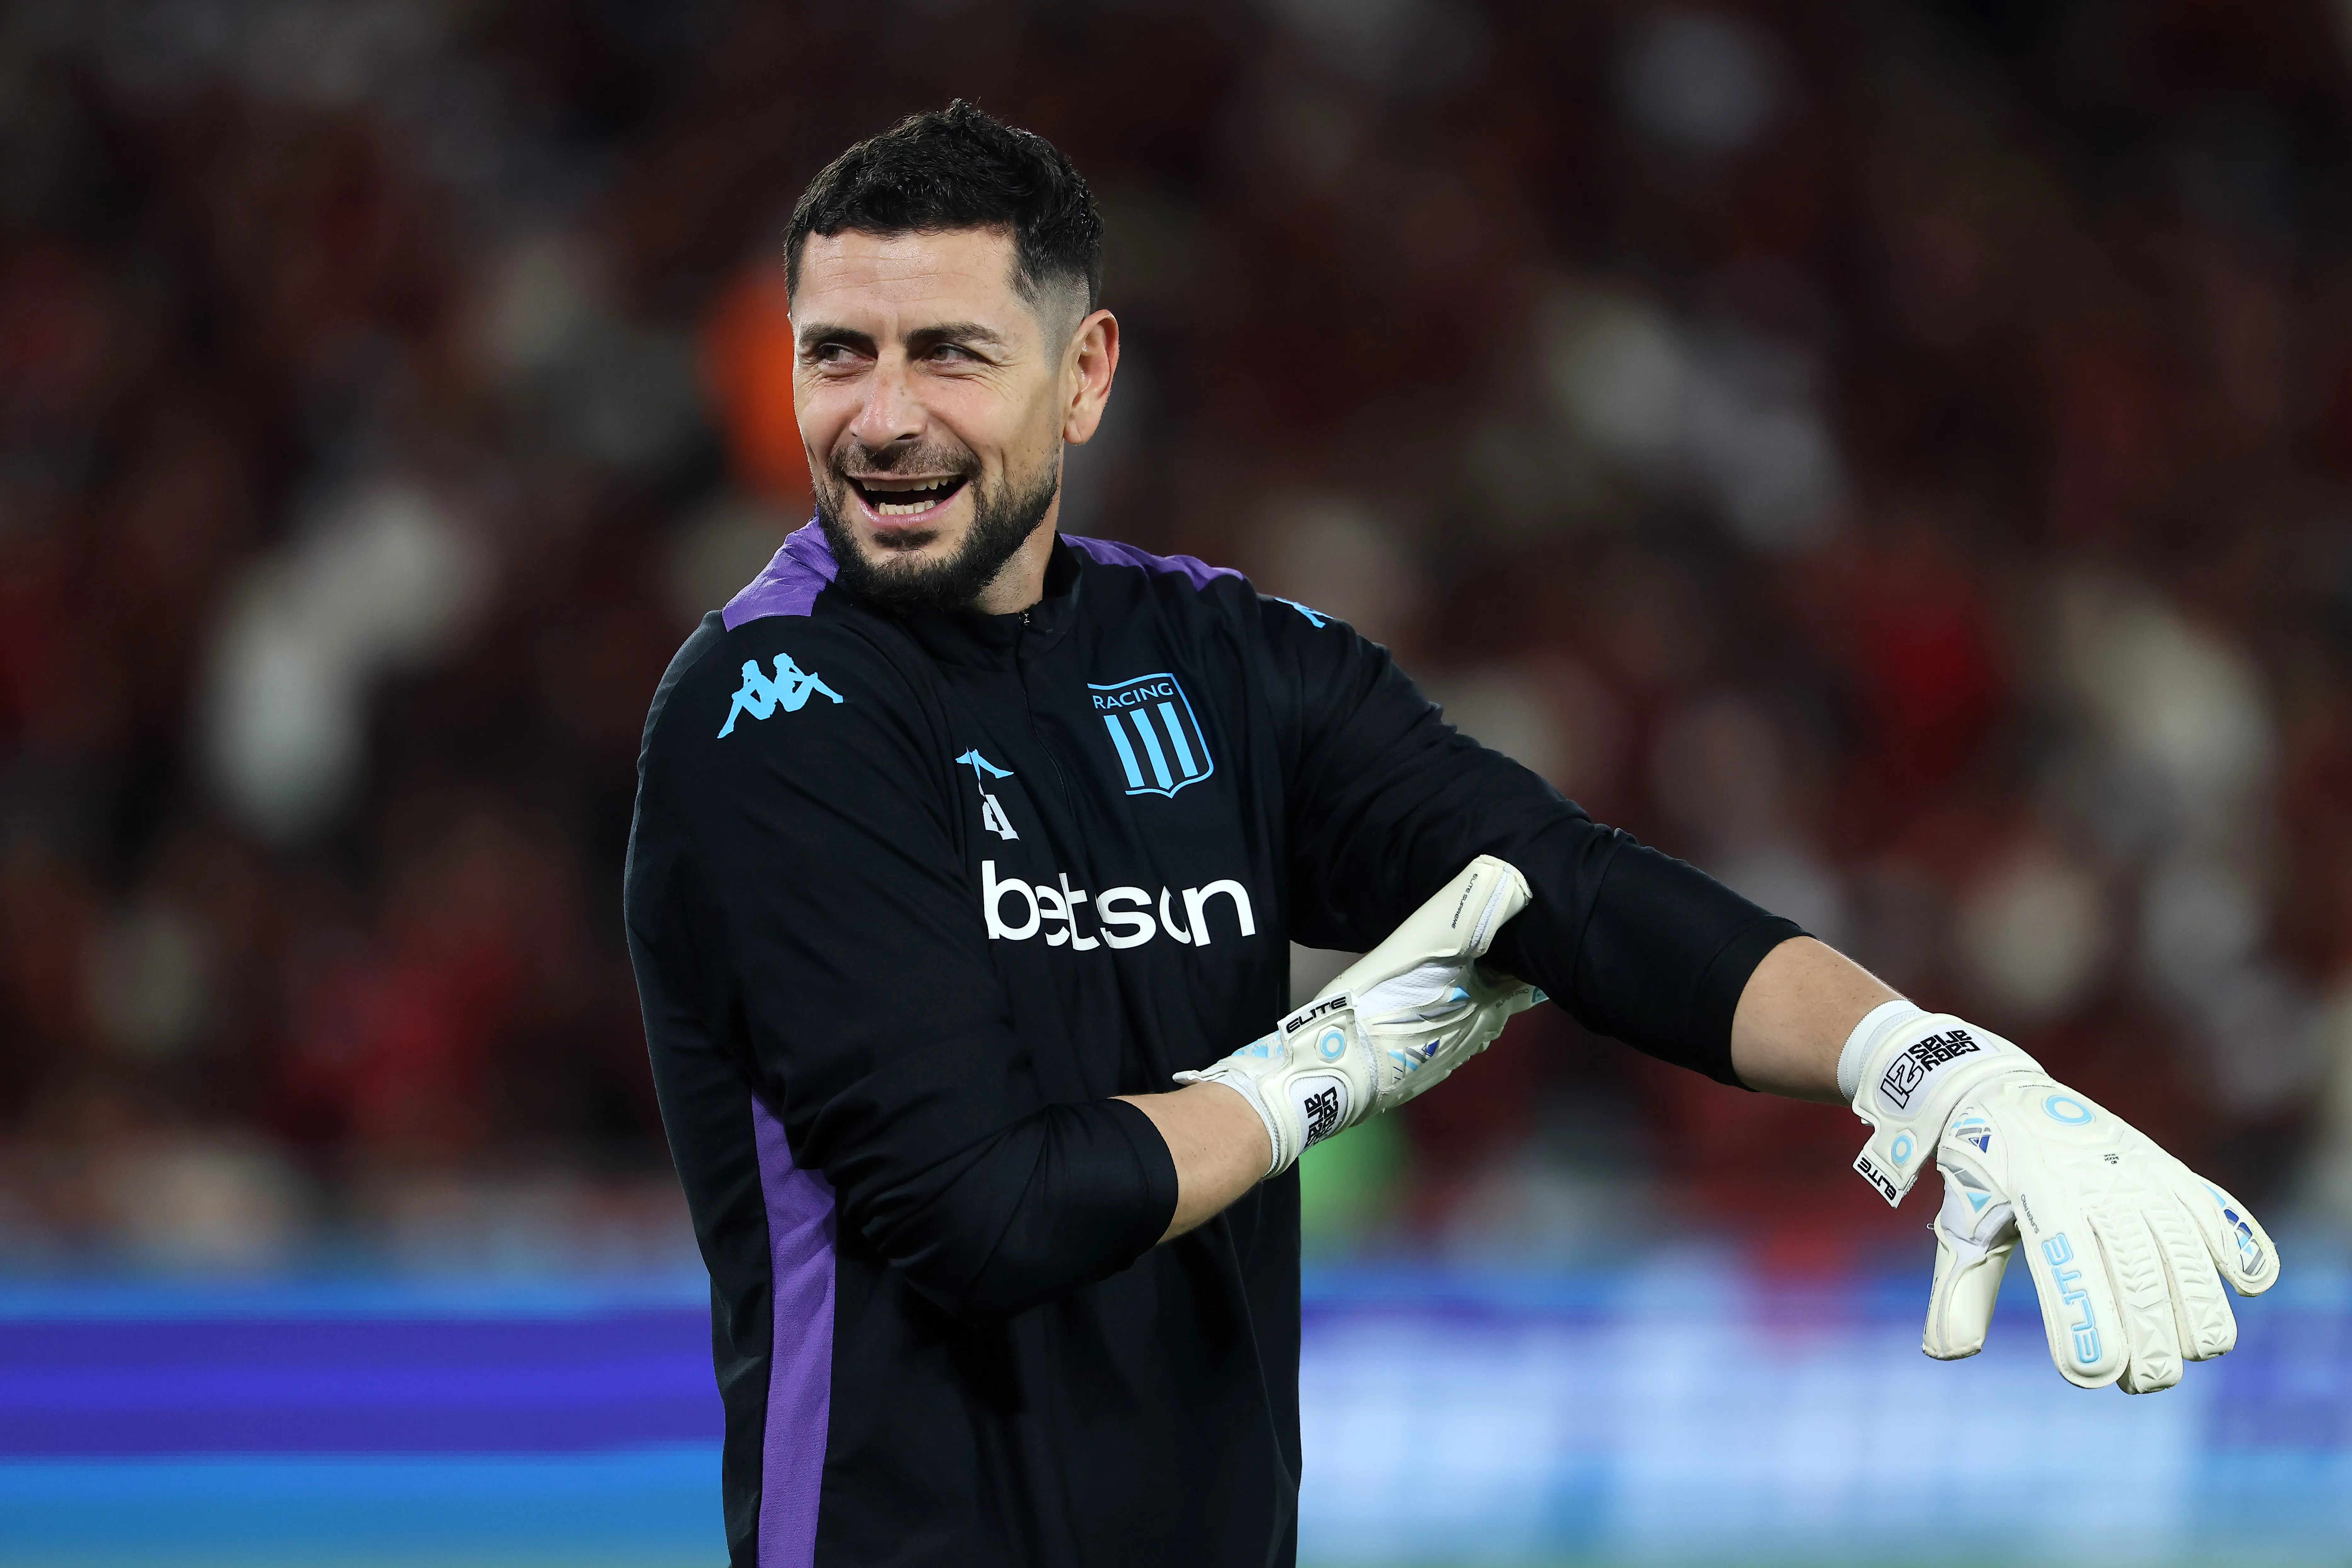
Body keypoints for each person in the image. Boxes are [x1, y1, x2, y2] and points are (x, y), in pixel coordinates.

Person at [623, 101, 2276, 1568]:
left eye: (950, 355)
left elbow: (1558, 893)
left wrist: (1921, 1065)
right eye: (837, 353)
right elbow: (979, 1217)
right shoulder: (767, 714)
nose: (881, 416)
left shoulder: (1226, 665)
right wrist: (1323, 1071)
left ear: (1086, 375)